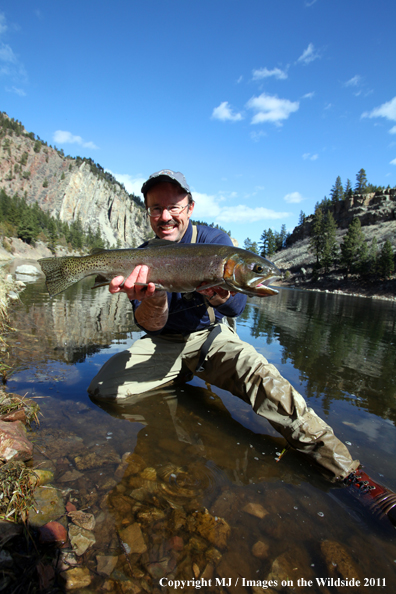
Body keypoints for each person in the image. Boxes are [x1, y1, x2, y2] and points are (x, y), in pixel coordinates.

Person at [88, 169, 360, 481]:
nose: (165, 216)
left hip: (211, 339)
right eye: (156, 208)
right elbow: (151, 325)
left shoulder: (215, 243)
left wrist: (217, 297)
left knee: (265, 381)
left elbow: (238, 306)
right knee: (103, 391)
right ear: (148, 212)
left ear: (190, 207)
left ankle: (344, 470)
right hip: (163, 342)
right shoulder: (140, 258)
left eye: (173, 207)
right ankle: (179, 398)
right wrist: (153, 299)